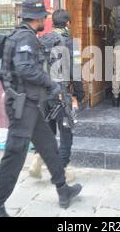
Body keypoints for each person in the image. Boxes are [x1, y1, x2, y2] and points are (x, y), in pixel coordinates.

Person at [0, 0, 82, 217]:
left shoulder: (19, 35)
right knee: (14, 155)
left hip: (30, 104)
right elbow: (25, 68)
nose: (46, 22)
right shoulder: (25, 38)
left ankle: (63, 189)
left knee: (48, 146)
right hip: (23, 106)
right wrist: (51, 83)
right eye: (44, 18)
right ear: (38, 18)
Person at [29, 9, 83, 181]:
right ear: (68, 24)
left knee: (48, 130)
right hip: (61, 93)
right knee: (66, 132)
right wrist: (79, 95)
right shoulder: (70, 43)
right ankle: (62, 172)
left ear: (52, 24)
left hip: (43, 93)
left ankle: (37, 158)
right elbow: (76, 72)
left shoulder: (41, 40)